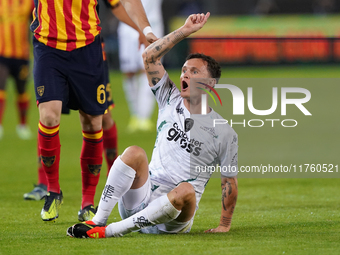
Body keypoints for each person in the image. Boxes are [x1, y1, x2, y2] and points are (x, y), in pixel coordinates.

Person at [67, 12, 239, 238]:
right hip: (141, 199)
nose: (185, 74)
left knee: (187, 190)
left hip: (174, 217)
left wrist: (225, 224)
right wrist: (184, 31)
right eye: (185, 70)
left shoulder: (224, 132)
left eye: (194, 71)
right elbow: (149, 56)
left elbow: (229, 182)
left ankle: (110, 231)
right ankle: (97, 220)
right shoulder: (170, 98)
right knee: (134, 153)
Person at [31, 0, 157, 223]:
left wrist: (144, 29)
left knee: (93, 123)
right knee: (49, 115)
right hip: (48, 47)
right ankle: (52, 191)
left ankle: (87, 202)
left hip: (87, 50)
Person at [118, 0, 164, 132]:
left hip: (152, 25)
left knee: (148, 69)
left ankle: (144, 116)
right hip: (127, 28)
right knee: (129, 71)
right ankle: (135, 115)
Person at [0, 0, 34, 140]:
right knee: (1, 87)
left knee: (22, 90)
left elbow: (37, 24)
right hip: (2, 54)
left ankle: (23, 126)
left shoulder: (29, 3)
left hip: (22, 55)